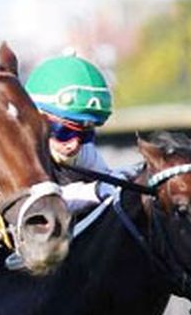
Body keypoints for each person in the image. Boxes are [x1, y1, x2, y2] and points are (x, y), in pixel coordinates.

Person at [23, 51, 123, 211]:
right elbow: (33, 205)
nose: (74, 145)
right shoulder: (15, 152)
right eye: (64, 131)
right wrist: (93, 191)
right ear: (33, 119)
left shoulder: (83, 148)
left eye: (86, 134)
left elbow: (108, 180)